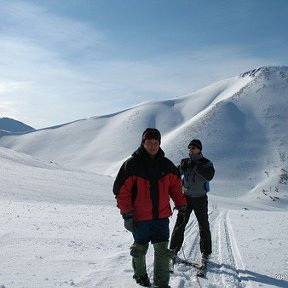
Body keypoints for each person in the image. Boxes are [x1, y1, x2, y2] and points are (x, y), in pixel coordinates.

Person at [113, 128, 187, 288]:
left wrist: (181, 204)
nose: (153, 145)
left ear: (159, 144)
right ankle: (140, 275)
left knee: (162, 251)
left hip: (161, 217)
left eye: (156, 142)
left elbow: (175, 186)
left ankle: (161, 283)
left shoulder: (166, 165)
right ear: (143, 143)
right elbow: (121, 192)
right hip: (140, 218)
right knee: (139, 249)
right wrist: (127, 214)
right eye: (149, 142)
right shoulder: (131, 165)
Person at [169, 139, 215, 264]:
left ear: (200, 149)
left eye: (194, 148)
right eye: (190, 148)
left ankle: (205, 253)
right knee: (180, 224)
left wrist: (196, 167)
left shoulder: (206, 163)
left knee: (203, 225)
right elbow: (174, 174)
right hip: (186, 198)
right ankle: (173, 250)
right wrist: (180, 169)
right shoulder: (185, 162)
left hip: (200, 198)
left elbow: (210, 175)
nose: (191, 150)